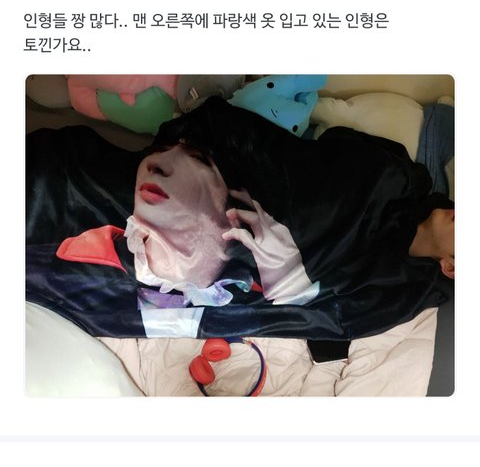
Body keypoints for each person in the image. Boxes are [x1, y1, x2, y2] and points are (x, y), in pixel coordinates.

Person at [26, 97, 453, 343]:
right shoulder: (392, 177)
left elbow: (307, 317)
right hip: (200, 190)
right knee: (60, 180)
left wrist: (289, 279)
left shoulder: (392, 293)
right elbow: (292, 160)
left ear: (452, 266)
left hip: (211, 254)